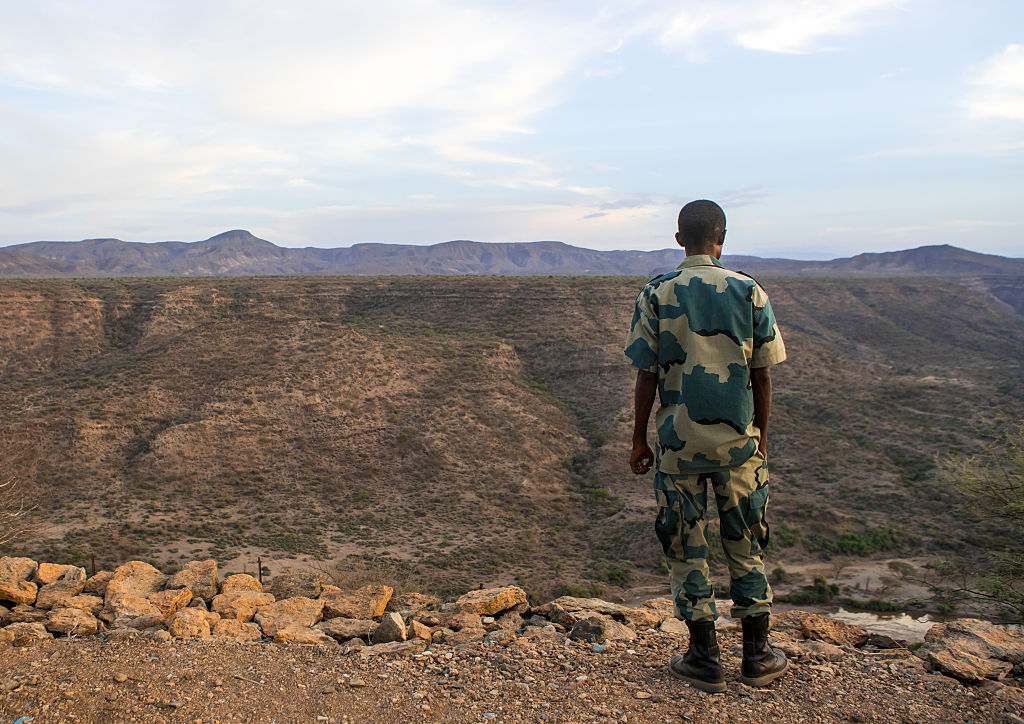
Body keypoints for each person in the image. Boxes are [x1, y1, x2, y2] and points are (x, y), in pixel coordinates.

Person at [624, 199, 789, 692]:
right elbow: (762, 375)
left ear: (679, 239)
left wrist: (638, 440)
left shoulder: (658, 293)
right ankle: (758, 657)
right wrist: (760, 436)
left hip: (678, 447)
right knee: (746, 546)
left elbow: (645, 376)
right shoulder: (749, 291)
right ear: (722, 237)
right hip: (739, 447)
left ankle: (703, 658)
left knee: (686, 549)